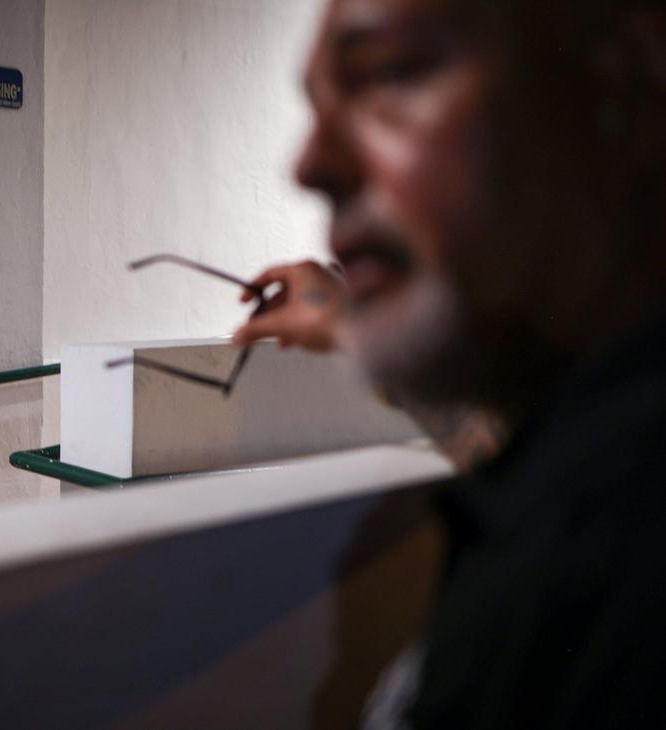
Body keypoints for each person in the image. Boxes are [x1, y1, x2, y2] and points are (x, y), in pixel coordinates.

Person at [232, 0, 665, 726]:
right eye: (318, 103)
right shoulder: (589, 456)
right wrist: (351, 321)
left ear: (631, 77)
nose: (309, 164)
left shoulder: (627, 559)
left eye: (389, 72)